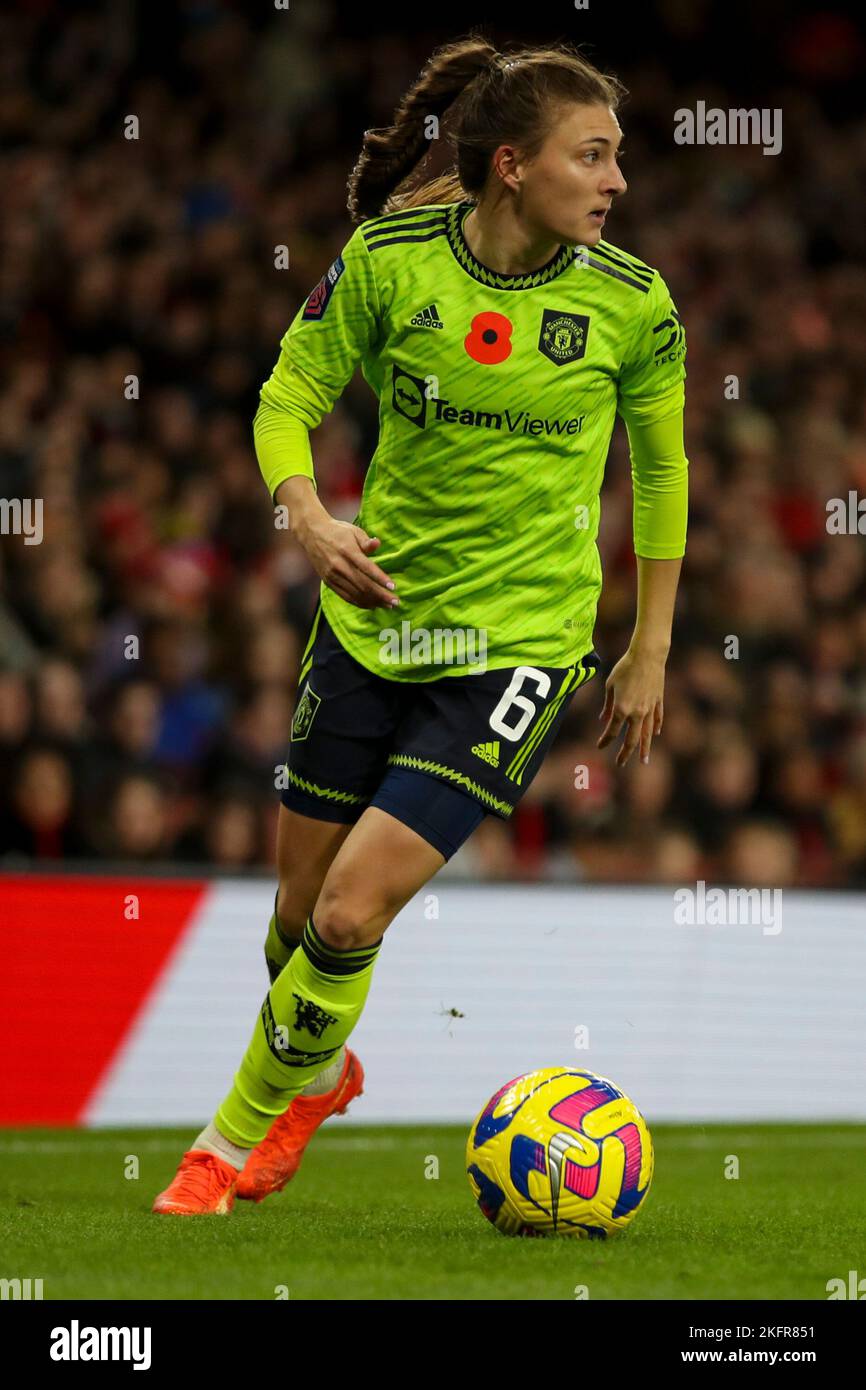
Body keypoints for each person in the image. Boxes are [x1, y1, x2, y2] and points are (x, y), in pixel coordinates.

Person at [153, 32, 688, 1215]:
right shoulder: (389, 262)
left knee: (350, 908)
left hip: (517, 651)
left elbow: (660, 477)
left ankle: (223, 1142)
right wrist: (305, 516)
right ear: (511, 165)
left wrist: (644, 647)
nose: (616, 182)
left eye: (617, 158)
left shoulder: (629, 303)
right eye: (591, 156)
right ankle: (318, 1070)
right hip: (370, 626)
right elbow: (285, 398)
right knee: (294, 921)